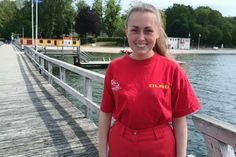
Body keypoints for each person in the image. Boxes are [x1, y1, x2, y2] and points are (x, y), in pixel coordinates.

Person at [98, 2, 200, 157]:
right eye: (134, 30)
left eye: (148, 31)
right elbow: (105, 113)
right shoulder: (114, 67)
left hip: (160, 147)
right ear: (126, 32)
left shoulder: (172, 70)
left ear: (158, 32)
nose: (141, 38)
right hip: (120, 144)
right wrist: (102, 153)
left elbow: (179, 121)